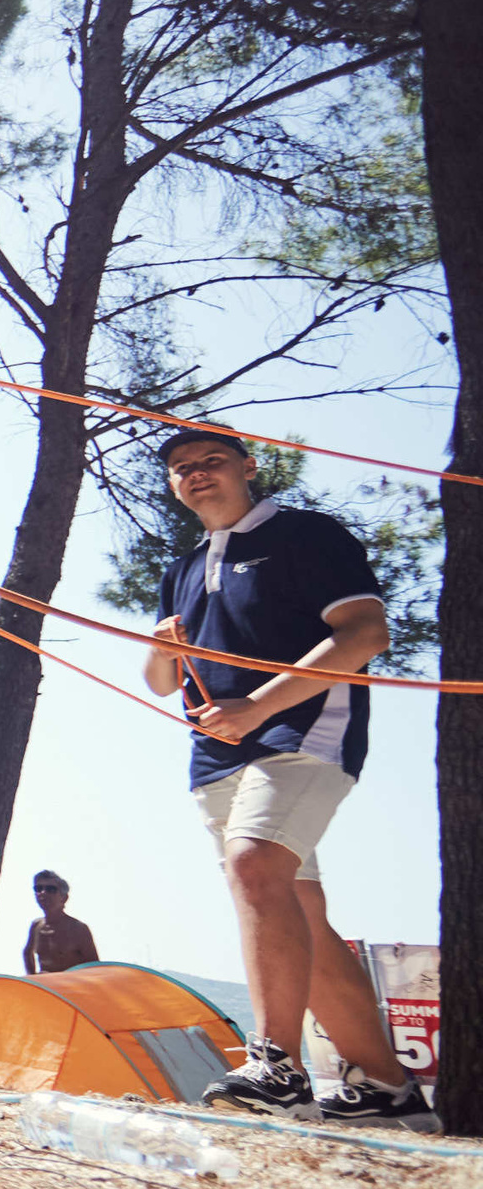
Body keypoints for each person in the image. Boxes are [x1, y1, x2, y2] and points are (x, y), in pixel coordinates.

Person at [142, 428, 435, 1130]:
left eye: (212, 461)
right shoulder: (181, 567)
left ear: (249, 466)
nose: (197, 474)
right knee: (299, 910)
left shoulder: (306, 534)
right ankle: (387, 1091)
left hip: (299, 732)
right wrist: (159, 649)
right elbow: (159, 680)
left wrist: (259, 707)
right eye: (182, 469)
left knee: (254, 865)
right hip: (216, 754)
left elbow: (366, 632)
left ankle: (277, 1065)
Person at [20, 870, 99, 974]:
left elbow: (95, 968)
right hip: (46, 987)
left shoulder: (78, 929)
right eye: (38, 889)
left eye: (50, 889)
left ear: (64, 898)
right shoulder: (36, 926)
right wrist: (32, 978)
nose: (43, 893)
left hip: (71, 987)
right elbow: (27, 953)